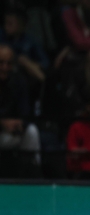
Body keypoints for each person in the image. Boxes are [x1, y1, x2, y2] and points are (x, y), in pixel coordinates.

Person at [0, 44, 41, 178]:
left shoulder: (19, 81)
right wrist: (3, 123)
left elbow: (25, 112)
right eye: (1, 63)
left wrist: (20, 123)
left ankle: (30, 177)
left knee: (32, 132)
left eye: (9, 63)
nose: (5, 67)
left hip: (12, 133)